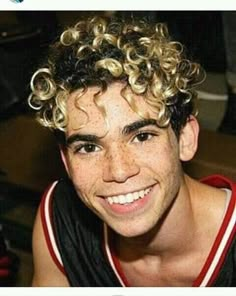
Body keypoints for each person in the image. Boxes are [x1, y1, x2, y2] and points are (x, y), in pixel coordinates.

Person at [28, 15, 236, 287]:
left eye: (142, 136)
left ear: (185, 138)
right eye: (89, 147)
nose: (118, 170)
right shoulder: (60, 224)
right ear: (66, 161)